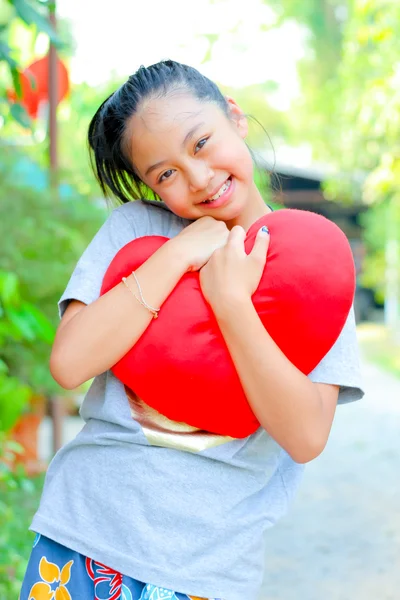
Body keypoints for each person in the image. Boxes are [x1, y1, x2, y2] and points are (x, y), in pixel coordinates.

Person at [21, 60, 364, 600]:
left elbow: (304, 437)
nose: (197, 178)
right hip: (83, 540)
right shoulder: (138, 230)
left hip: (207, 573)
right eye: (165, 174)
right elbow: (70, 363)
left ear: (234, 116)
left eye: (201, 143)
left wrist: (232, 303)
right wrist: (179, 253)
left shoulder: (317, 272)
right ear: (148, 186)